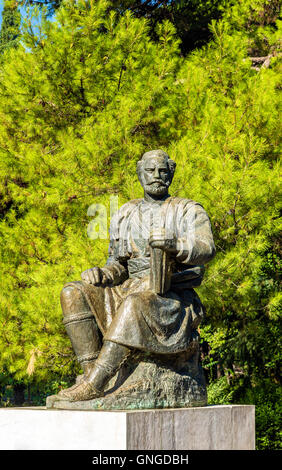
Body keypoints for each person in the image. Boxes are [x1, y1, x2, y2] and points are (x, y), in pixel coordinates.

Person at [53, 149, 215, 402]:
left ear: (171, 173)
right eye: (150, 171)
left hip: (170, 295)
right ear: (140, 174)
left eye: (162, 171)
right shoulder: (125, 213)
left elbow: (206, 248)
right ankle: (90, 376)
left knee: (135, 302)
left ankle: (97, 383)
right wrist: (102, 274)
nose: (156, 176)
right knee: (73, 292)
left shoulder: (186, 209)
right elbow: (118, 265)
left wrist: (175, 244)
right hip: (130, 285)